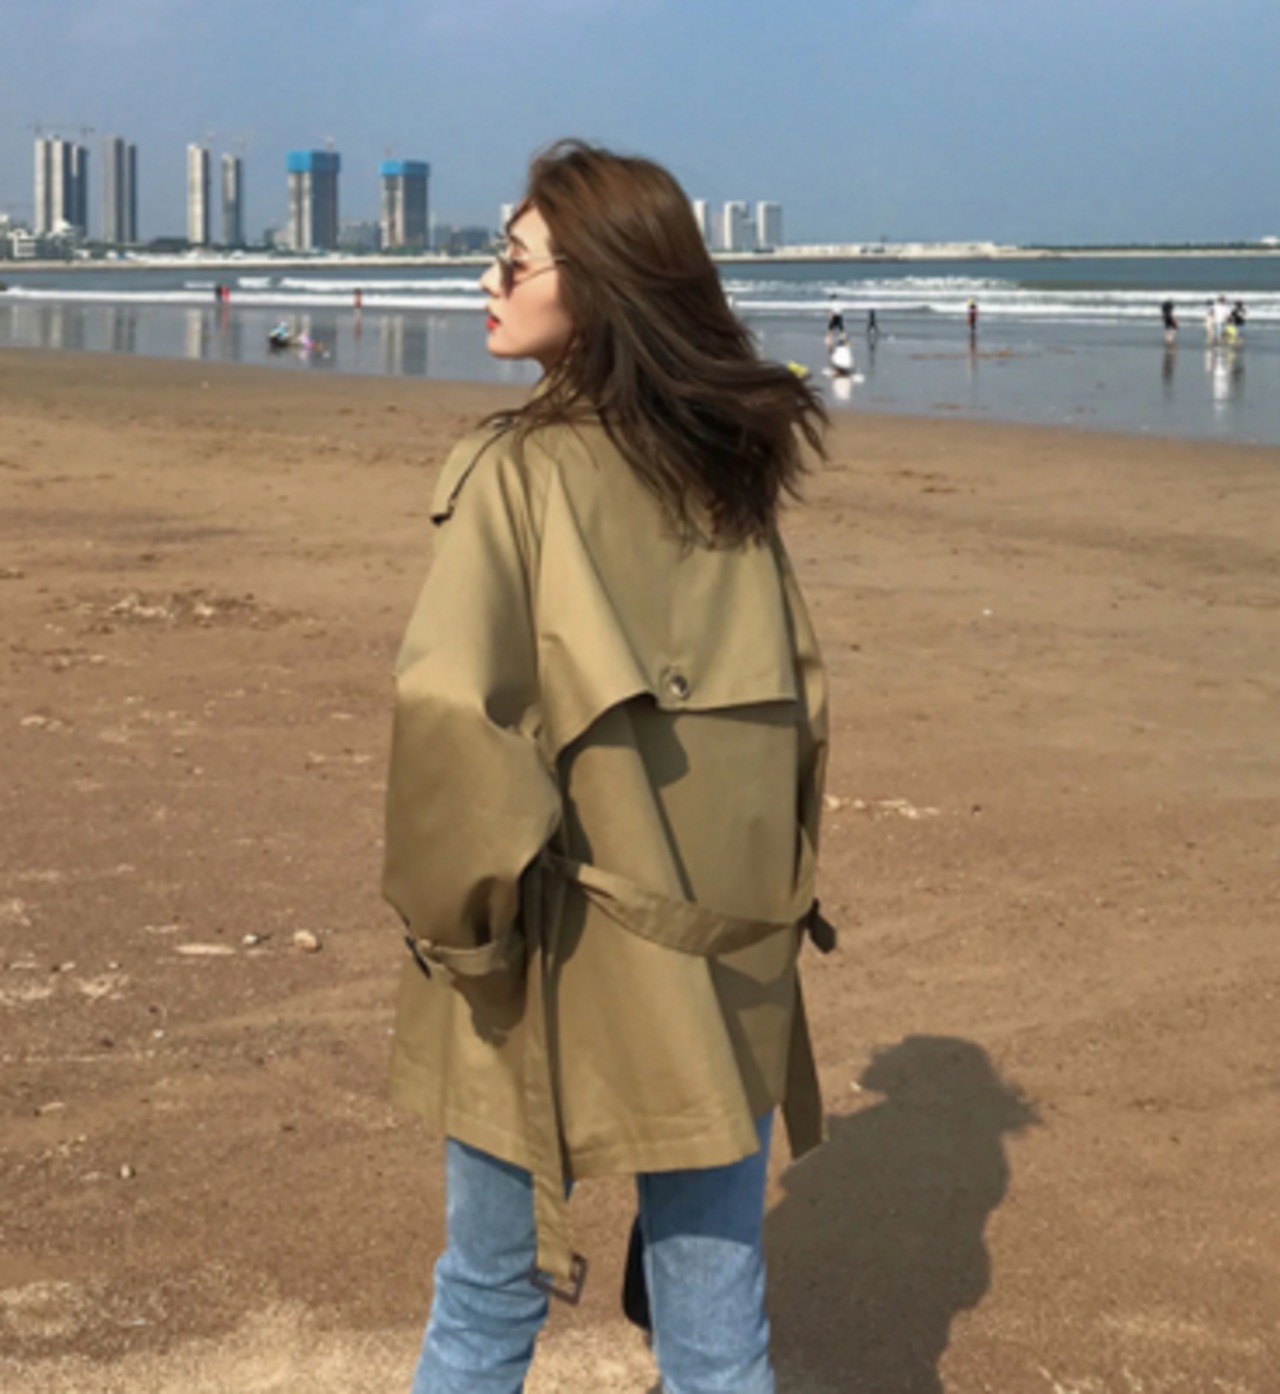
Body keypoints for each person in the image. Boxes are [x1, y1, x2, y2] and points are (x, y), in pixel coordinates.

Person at [383, 139, 834, 1394]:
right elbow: (797, 722)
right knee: (716, 1334)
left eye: (513, 261)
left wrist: (460, 938)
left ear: (598, 287)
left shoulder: (515, 471)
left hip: (547, 961)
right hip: (727, 954)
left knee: (485, 1302)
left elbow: (451, 718)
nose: (487, 280)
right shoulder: (728, 474)